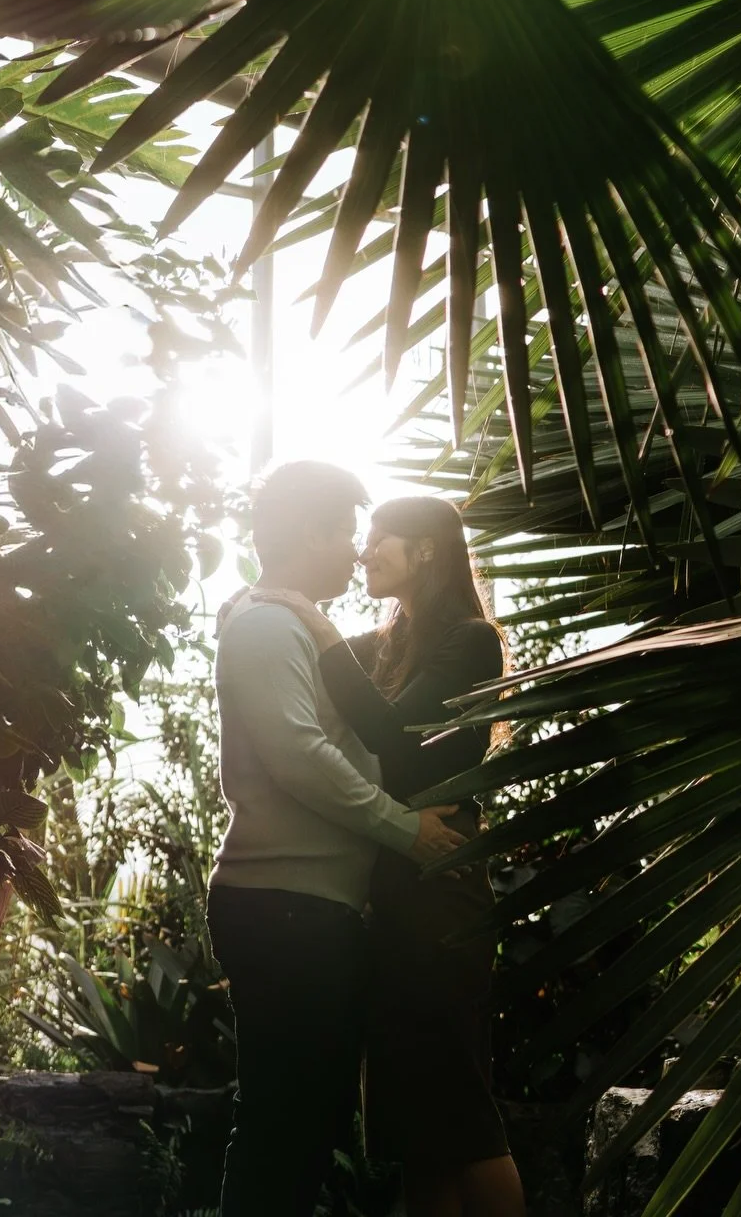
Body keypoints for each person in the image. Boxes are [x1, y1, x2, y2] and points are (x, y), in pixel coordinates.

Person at [258, 493, 526, 1217]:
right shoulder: (383, 644)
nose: (363, 552)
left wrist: (315, 626)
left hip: (442, 887)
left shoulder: (470, 641)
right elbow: (325, 721)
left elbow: (398, 742)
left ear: (428, 550)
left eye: (380, 539)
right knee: (413, 1129)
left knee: (462, 1114)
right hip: (392, 887)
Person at [207, 462, 464, 1217]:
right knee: (282, 1130)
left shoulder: (283, 624)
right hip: (283, 909)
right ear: (312, 533)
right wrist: (405, 828)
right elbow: (301, 759)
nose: (356, 552)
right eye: (346, 533)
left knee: (305, 1127)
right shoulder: (264, 627)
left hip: (309, 908)